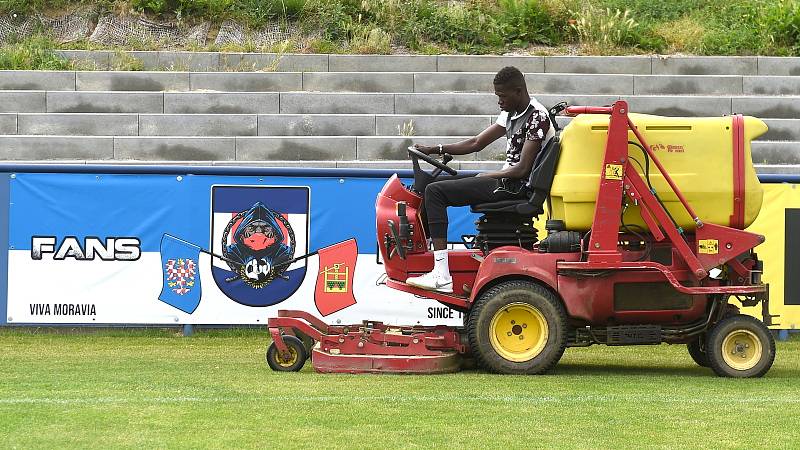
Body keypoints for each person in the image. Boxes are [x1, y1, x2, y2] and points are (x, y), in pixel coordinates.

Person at [405, 66, 555, 293]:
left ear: (518, 91)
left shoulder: (538, 117)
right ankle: (432, 258)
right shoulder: (511, 113)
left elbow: (522, 169)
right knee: (433, 186)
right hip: (506, 181)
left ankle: (441, 274)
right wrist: (433, 149)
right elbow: (476, 143)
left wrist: (488, 175)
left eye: (502, 96)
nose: (499, 102)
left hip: (515, 187)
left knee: (435, 192)